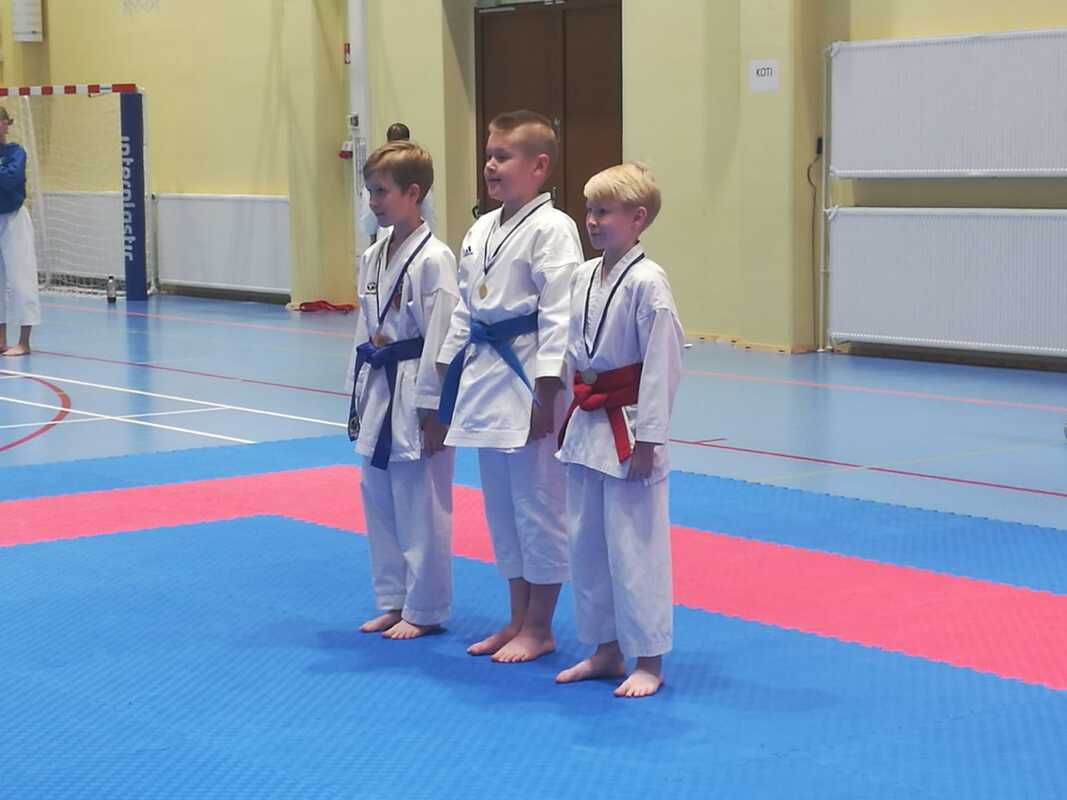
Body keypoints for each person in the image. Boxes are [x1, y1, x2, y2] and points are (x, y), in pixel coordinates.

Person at [437, 110, 583, 663]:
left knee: (538, 504)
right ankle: (517, 618)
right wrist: (446, 368)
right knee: (502, 509)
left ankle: (540, 627)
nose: (490, 166)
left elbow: (561, 312)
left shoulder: (554, 228)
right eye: (488, 155)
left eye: (503, 156)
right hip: (484, 377)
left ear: (539, 166)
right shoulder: (481, 229)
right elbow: (465, 306)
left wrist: (550, 390)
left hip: (528, 378)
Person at [554, 162, 684, 698]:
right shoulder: (583, 276)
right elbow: (571, 351)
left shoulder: (649, 283)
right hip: (587, 422)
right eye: (589, 210)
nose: (592, 221)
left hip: (628, 426)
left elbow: (662, 365)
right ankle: (604, 649)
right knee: (586, 544)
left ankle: (648, 658)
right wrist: (561, 408)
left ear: (638, 218)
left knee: (635, 548)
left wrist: (651, 437)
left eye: (604, 211)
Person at [346, 140, 459, 640]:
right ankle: (392, 599)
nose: (373, 201)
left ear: (413, 193)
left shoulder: (435, 259)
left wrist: (437, 410)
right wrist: (355, 394)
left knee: (421, 505)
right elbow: (364, 330)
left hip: (416, 390)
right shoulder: (373, 255)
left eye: (382, 191)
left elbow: (444, 337)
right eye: (369, 191)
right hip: (379, 385)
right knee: (378, 498)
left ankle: (425, 607)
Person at [0, 105, 40, 357]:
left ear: (6, 124)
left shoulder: (16, 152)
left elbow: (10, 180)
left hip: (13, 218)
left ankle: (24, 341)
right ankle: (0, 338)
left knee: (21, 278)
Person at [357, 122, 435, 241]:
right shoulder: (377, 176)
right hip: (386, 238)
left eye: (381, 191)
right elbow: (369, 220)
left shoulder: (419, 174)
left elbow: (428, 214)